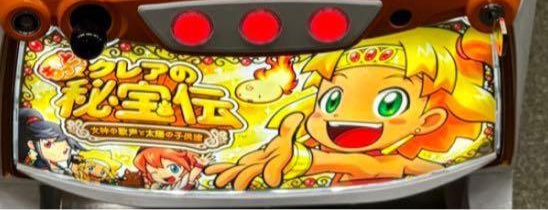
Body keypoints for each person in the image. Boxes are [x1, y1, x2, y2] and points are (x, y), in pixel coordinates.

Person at [206, 26, 496, 189]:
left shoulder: (416, 163)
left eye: (390, 104)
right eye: (331, 100)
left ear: (429, 120)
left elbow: (373, 166)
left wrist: (303, 159)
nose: (343, 117)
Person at [18, 110, 83, 175]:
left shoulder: (69, 161)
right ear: (31, 144)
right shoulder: (35, 161)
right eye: (48, 144)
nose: (65, 146)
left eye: (66, 140)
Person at [132, 146, 208, 190]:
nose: (165, 176)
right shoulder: (157, 186)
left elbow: (190, 180)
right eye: (154, 173)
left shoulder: (184, 181)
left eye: (173, 168)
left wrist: (199, 166)